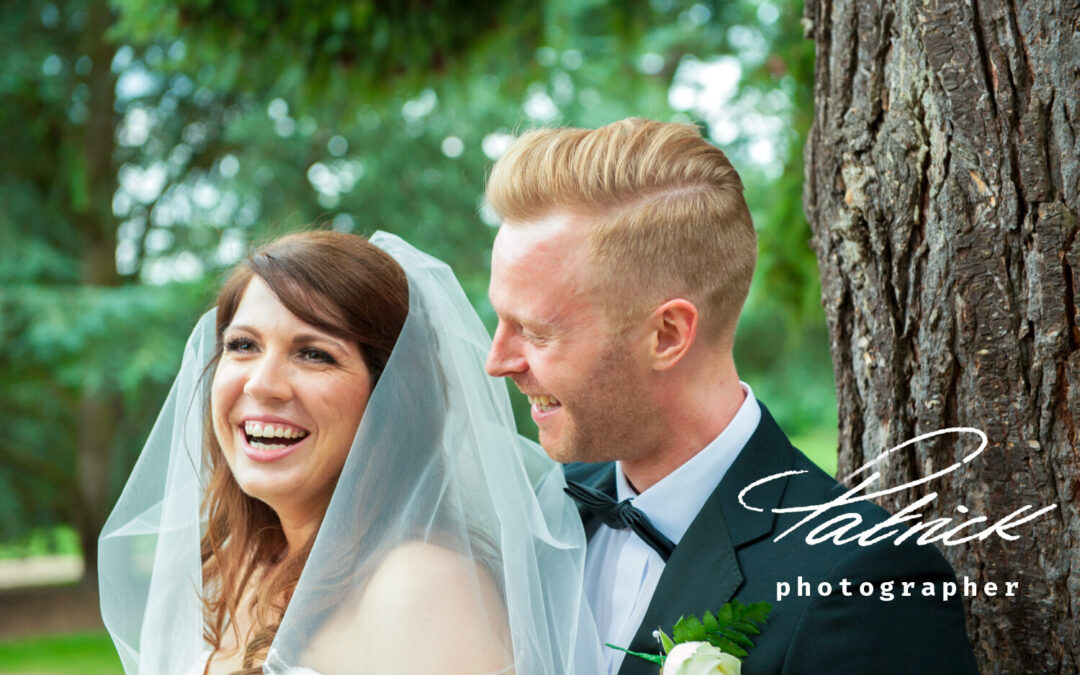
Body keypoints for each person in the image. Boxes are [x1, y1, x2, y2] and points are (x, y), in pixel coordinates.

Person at [483, 118, 979, 674]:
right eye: (500, 320)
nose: (497, 361)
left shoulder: (862, 582)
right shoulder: (540, 522)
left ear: (667, 334)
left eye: (535, 330)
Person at [99, 230, 604, 674]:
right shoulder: (241, 562)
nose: (263, 384)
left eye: (314, 354)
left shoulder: (420, 587)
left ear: (392, 399)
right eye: (243, 345)